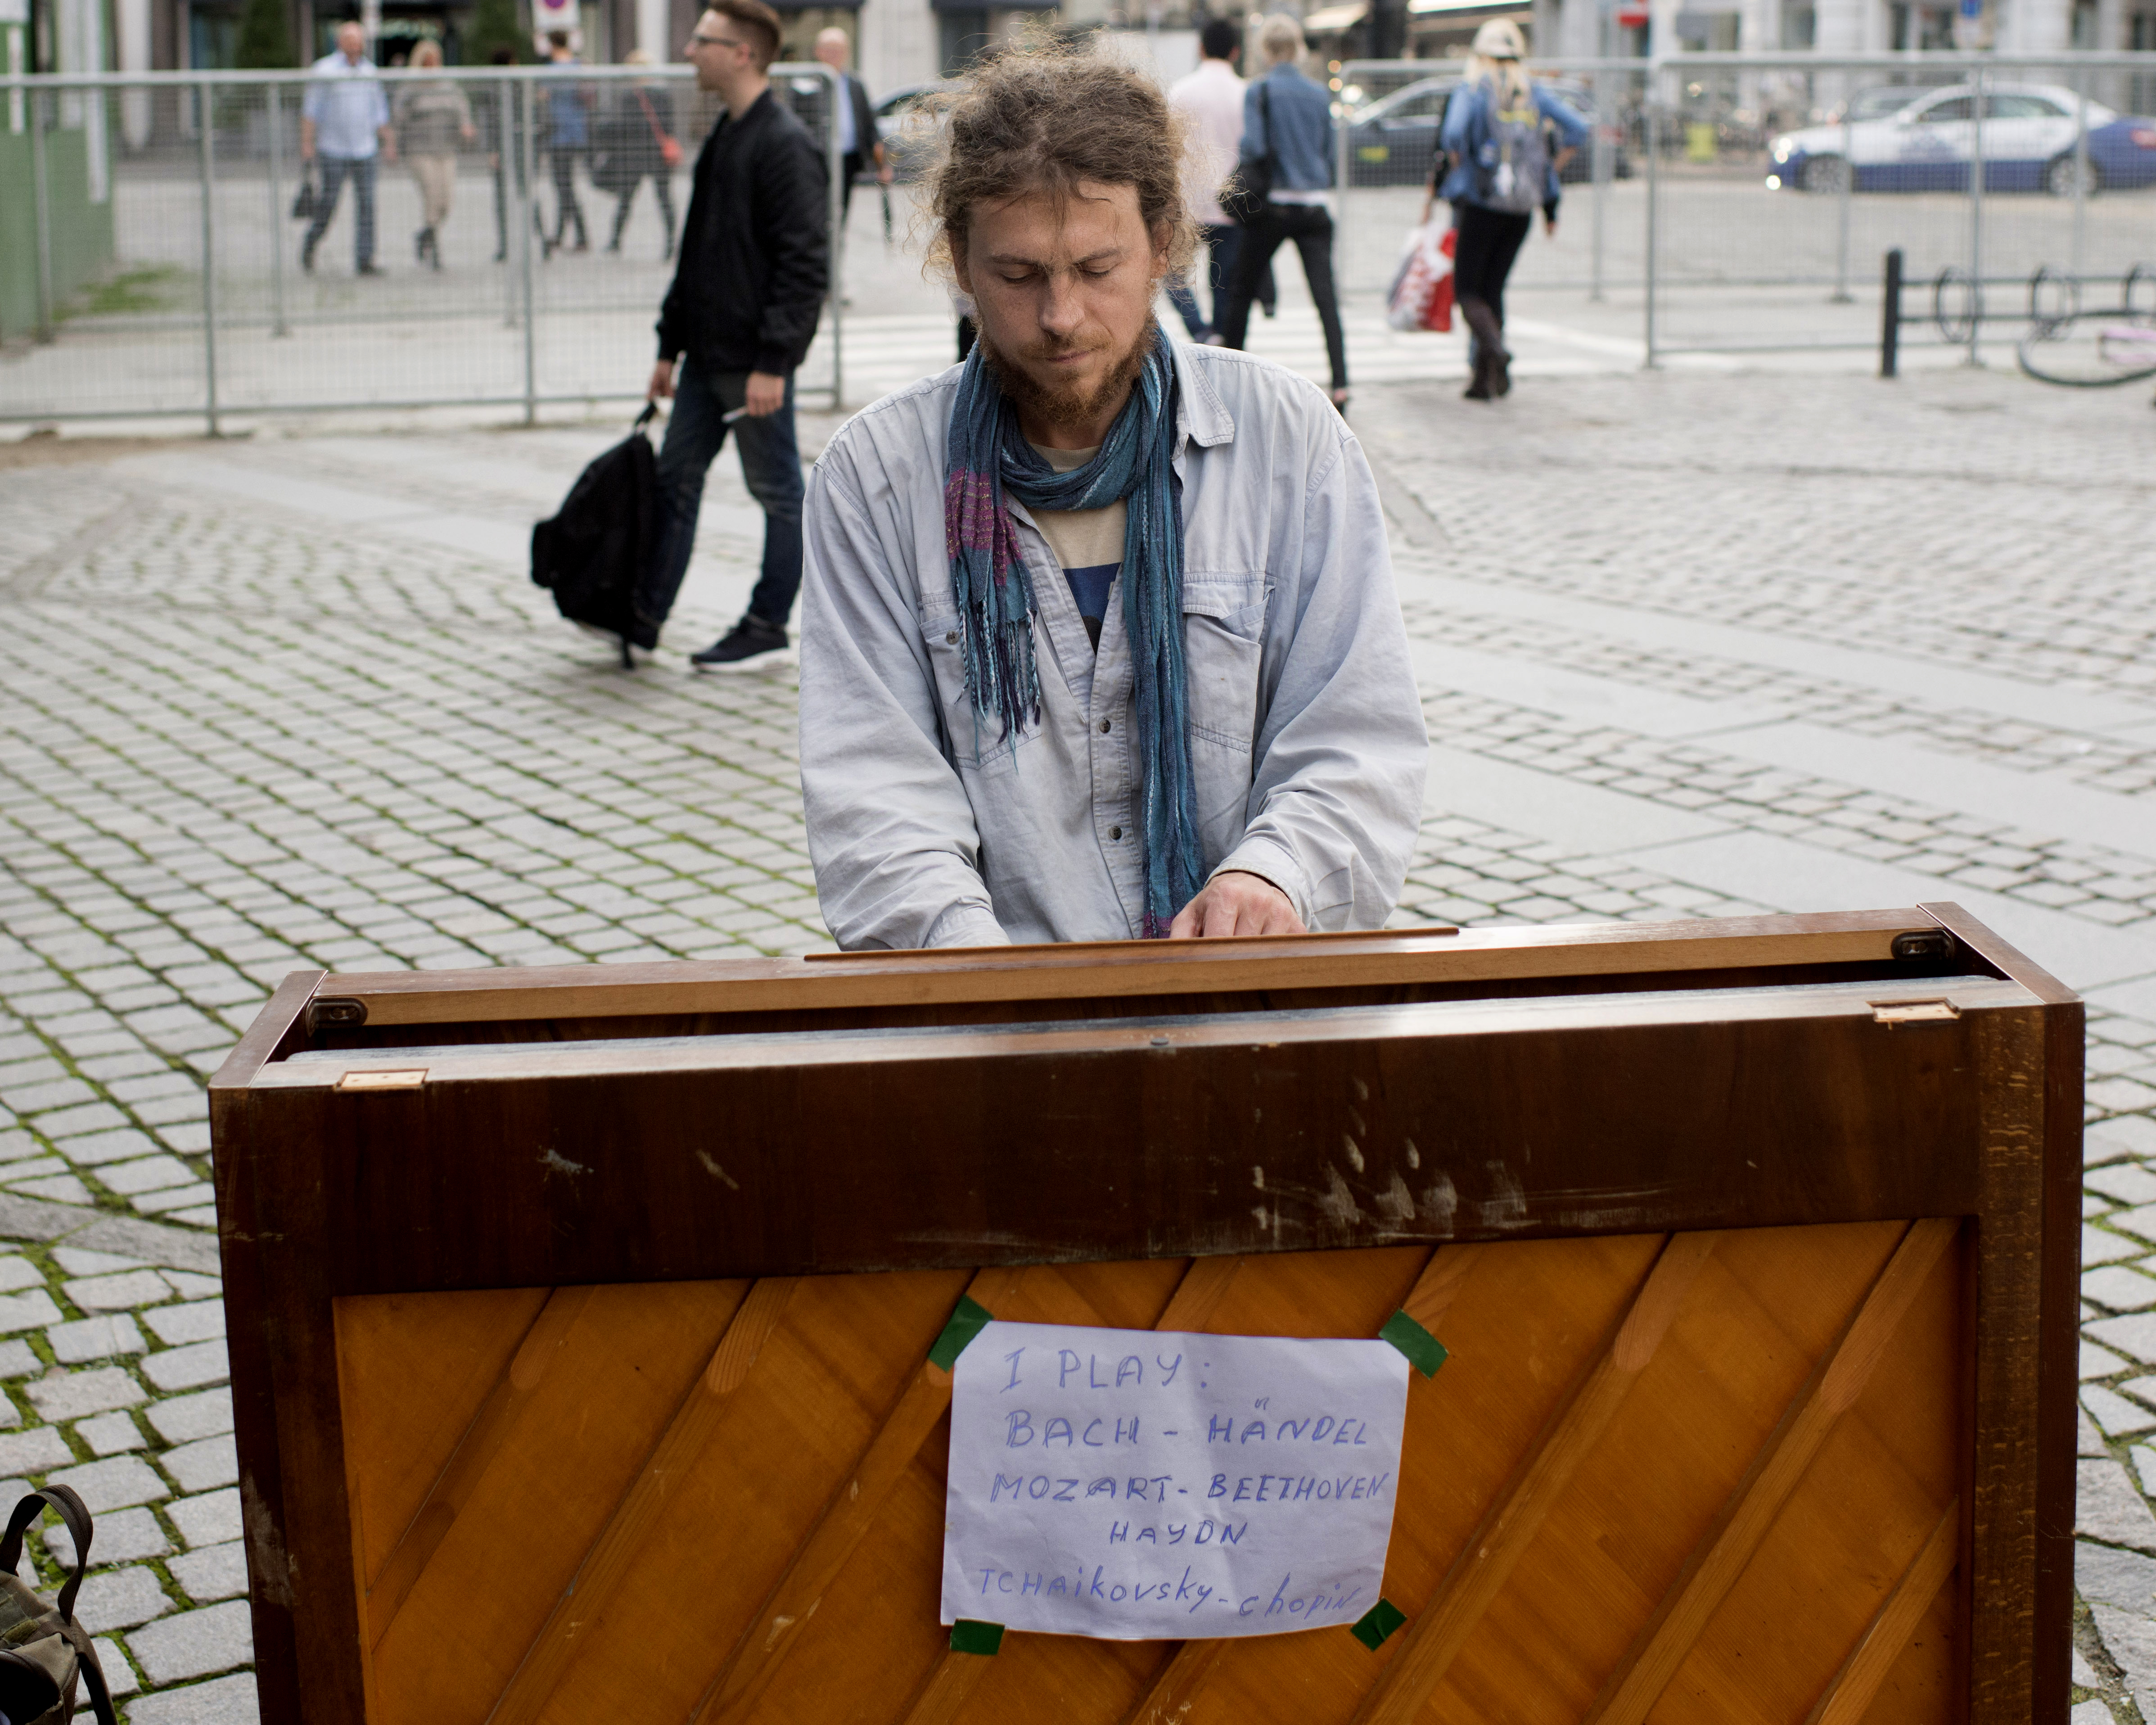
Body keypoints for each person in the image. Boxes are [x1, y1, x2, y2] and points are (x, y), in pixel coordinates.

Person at [797, 43, 1426, 949]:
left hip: (1240, 1009)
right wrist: (968, 961)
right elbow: (873, 784)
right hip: (992, 1033)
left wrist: (1272, 872)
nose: (1059, 317)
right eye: (1017, 276)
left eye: (1096, 270)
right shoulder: (876, 477)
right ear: (960, 264)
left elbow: (1355, 735)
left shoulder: (1290, 441)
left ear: (1163, 245)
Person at [642, 0, 828, 665]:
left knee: (779, 493)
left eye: (703, 40)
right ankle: (643, 616)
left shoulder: (783, 144)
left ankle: (766, 624)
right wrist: (669, 345)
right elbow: (696, 255)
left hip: (751, 361)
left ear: (741, 53)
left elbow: (805, 265)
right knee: (674, 479)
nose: (691, 51)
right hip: (704, 357)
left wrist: (774, 362)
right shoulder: (725, 133)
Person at [1429, 19, 1585, 400]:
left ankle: (1496, 351)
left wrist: (1463, 163)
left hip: (1482, 203)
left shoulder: (1475, 89)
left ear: (1480, 55)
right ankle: (1487, 380)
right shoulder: (1533, 90)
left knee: (1468, 290)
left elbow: (1451, 134)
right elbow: (1578, 129)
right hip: (1521, 208)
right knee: (1494, 288)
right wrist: (1548, 171)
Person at [1214, 16, 1349, 412]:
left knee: (1240, 291)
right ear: (1298, 48)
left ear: (1266, 50)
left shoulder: (1261, 91)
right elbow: (1327, 152)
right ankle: (1341, 384)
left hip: (1273, 208)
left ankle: (1230, 380)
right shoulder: (1319, 94)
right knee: (1327, 300)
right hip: (1315, 206)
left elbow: (1254, 147)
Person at [1164, 17, 1274, 344]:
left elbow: (1168, 151)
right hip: (1234, 203)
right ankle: (1222, 340)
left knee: (1171, 272)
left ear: (1201, 48)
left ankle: (1199, 329)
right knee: (1225, 281)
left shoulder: (1179, 93)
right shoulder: (1246, 94)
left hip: (1189, 203)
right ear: (1236, 51)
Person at [300, 21, 395, 276]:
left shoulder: (369, 71)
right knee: (329, 202)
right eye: (349, 40)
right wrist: (307, 143)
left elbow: (379, 112)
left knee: (367, 205)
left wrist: (388, 141)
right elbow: (311, 111)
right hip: (333, 149)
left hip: (365, 148)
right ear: (340, 42)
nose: (354, 45)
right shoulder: (324, 70)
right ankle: (311, 243)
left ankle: (365, 260)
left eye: (358, 40)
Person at [394, 40, 474, 271]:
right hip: (419, 150)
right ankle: (435, 249)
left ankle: (425, 235)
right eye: (427, 62)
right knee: (431, 195)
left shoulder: (449, 86)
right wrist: (393, 144)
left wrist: (466, 127)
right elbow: (399, 118)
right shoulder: (410, 89)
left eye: (435, 61)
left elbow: (462, 109)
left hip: (446, 149)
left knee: (446, 202)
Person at [602, 48, 680, 257]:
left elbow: (625, 126)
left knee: (626, 199)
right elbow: (670, 125)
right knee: (664, 199)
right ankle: (671, 242)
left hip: (635, 154)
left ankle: (615, 240)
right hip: (656, 155)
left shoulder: (630, 97)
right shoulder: (663, 95)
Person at [813, 26, 891, 226]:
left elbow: (869, 125)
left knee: (842, 210)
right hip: (818, 159)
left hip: (849, 158)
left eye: (839, 50)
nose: (834, 55)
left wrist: (882, 165)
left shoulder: (856, 85)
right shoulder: (809, 84)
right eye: (829, 49)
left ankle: (837, 248)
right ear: (818, 52)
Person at [540, 30, 591, 255]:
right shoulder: (579, 66)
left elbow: (542, 96)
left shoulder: (552, 70)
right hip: (577, 132)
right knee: (565, 185)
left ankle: (581, 236)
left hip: (558, 134)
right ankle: (560, 235)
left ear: (552, 44)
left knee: (563, 186)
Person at [480, 45, 524, 264]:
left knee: (526, 196)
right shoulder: (493, 89)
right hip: (503, 149)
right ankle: (505, 245)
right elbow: (488, 122)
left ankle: (539, 240)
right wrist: (491, 150)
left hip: (520, 148)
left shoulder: (521, 85)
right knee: (503, 200)